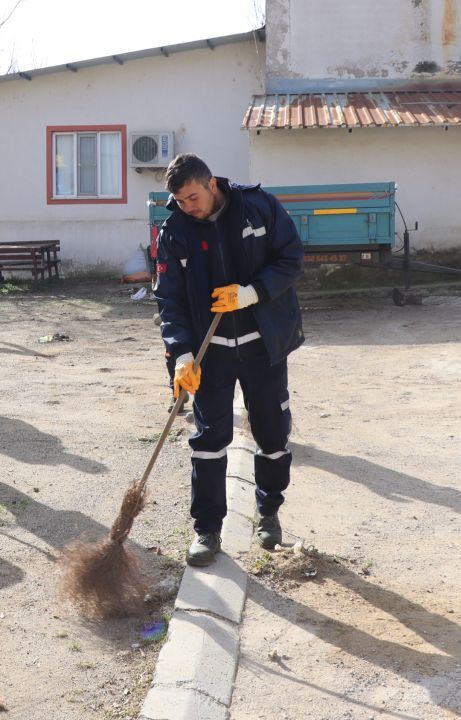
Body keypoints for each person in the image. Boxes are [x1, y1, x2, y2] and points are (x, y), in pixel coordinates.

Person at [154, 154, 304, 567]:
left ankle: (269, 513)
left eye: (192, 197)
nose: (188, 207)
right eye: (180, 201)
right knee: (209, 441)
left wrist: (251, 293)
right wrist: (182, 355)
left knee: (272, 433)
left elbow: (292, 259)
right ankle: (207, 529)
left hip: (263, 345)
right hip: (211, 352)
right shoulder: (175, 231)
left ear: (211, 184)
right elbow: (170, 299)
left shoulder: (259, 207)